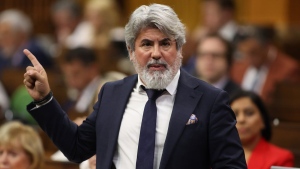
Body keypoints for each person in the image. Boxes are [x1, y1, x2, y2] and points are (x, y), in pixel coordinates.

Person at [23, 3, 246, 169]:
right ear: (131, 52)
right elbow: (76, 148)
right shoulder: (112, 93)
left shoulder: (210, 100)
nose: (156, 53)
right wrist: (45, 100)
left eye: (165, 43)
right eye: (146, 44)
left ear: (179, 50)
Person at [230, 25, 300, 105]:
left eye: (253, 53)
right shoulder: (238, 66)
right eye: (243, 54)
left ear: (267, 46)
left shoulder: (289, 69)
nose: (248, 60)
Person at [229, 90, 294, 168]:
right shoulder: (215, 154)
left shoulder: (281, 158)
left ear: (263, 120)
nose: (241, 119)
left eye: (249, 113)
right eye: (234, 114)